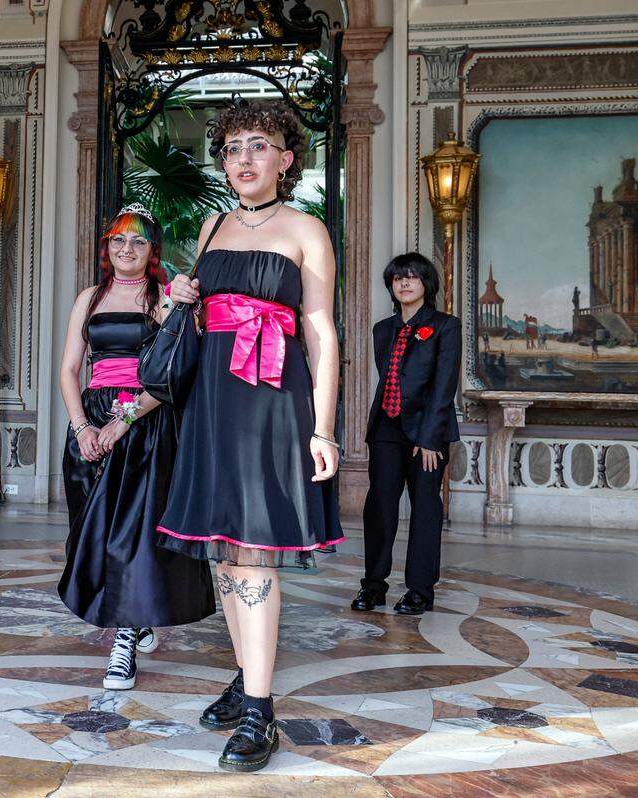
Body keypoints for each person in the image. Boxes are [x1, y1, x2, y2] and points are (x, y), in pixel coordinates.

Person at [159, 100, 342, 772]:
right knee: (222, 550)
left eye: (259, 145)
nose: (243, 158)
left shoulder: (307, 229)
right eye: (233, 146)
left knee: (254, 553)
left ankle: (261, 713)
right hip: (212, 401)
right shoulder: (211, 225)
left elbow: (321, 330)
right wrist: (183, 294)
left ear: (287, 158)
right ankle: (245, 676)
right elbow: (197, 318)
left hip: (272, 403)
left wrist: (323, 429)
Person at [58, 203, 214, 692]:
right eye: (118, 239)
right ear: (107, 246)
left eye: (138, 241)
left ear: (152, 251)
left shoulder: (165, 298)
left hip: (144, 421)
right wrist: (83, 427)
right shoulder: (89, 297)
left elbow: (172, 372)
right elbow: (68, 369)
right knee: (96, 535)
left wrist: (124, 420)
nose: (126, 248)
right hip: (91, 423)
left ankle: (122, 645)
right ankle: (137, 616)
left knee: (132, 537)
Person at [352, 253, 460, 616]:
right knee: (379, 508)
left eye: (412, 277)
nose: (404, 283)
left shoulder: (446, 326)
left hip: (427, 433)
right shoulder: (383, 329)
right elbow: (390, 378)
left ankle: (419, 591)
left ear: (426, 284)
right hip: (386, 427)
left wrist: (430, 438)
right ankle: (373, 586)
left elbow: (444, 386)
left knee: (426, 509)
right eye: (398, 278)